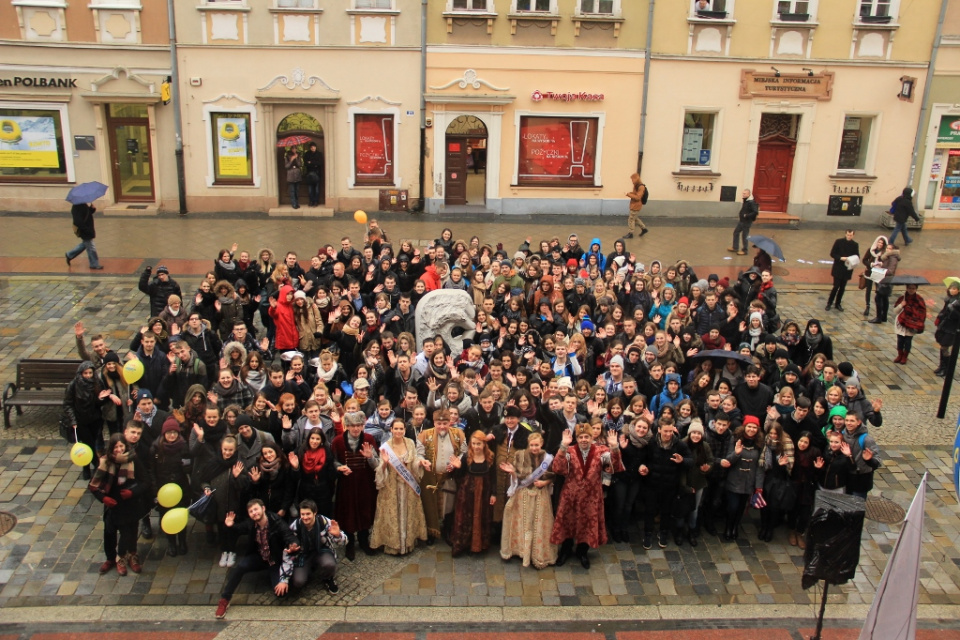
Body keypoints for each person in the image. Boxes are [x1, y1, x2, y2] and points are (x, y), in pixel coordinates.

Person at [550, 424, 623, 569]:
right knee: (569, 523)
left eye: (587, 437)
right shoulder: (569, 451)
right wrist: (563, 446)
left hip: (591, 497)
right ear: (576, 438)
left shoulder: (601, 451)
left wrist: (615, 448)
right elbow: (558, 468)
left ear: (591, 437)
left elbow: (616, 466)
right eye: (581, 437)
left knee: (587, 523)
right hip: (571, 496)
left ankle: (582, 552)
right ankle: (565, 550)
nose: (584, 439)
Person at [215, 499, 301, 619]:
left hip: (274, 561)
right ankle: (225, 599)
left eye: (256, 509)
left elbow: (288, 535)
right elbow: (238, 529)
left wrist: (293, 545)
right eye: (251, 511)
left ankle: (277, 578)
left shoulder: (276, 521)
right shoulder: (251, 524)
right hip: (259, 558)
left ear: (263, 508)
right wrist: (229, 526)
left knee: (281, 593)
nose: (254, 513)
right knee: (240, 567)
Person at [88, 433, 149, 576]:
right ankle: (110, 558)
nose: (119, 449)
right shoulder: (105, 462)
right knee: (109, 533)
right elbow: (94, 486)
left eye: (121, 446)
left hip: (129, 504)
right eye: (116, 447)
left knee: (130, 532)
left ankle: (128, 556)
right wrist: (103, 498)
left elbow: (145, 481)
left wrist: (132, 492)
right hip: (112, 504)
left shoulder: (133, 460)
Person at [369, 419, 429, 555]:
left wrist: (420, 463)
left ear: (404, 430)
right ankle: (393, 545)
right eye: (396, 429)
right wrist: (384, 463)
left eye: (401, 429)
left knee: (408, 513)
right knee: (392, 514)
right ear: (391, 430)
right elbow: (380, 469)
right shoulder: (386, 446)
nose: (398, 431)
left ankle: (407, 543)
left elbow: (414, 461)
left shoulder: (410, 443)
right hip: (391, 486)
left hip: (408, 485)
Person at [499, 431, 557, 568]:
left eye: (537, 445)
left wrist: (545, 482)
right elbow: (518, 477)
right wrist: (512, 472)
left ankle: (537, 555)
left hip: (541, 495)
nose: (534, 448)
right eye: (532, 445)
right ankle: (521, 551)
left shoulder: (548, 458)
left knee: (539, 524)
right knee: (523, 523)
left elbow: (554, 476)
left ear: (541, 444)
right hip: (523, 495)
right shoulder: (520, 455)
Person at [331, 411, 380, 559]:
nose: (356, 429)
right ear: (346, 426)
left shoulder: (369, 439)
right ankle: (349, 543)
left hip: (365, 483)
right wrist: (339, 467)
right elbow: (333, 461)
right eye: (352, 426)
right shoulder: (337, 441)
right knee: (348, 512)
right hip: (346, 484)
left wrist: (370, 457)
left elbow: (377, 464)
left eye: (359, 425)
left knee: (365, 510)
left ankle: (364, 541)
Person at [448, 430, 497, 557]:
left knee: (482, 517)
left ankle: (479, 545)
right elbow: (459, 478)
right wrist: (457, 468)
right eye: (474, 444)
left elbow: (493, 477)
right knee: (465, 519)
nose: (476, 446)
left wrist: (493, 493)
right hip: (467, 494)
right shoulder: (466, 457)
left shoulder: (490, 457)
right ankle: (464, 544)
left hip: (484, 494)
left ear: (484, 444)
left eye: (479, 444)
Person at [283, 499, 347, 594]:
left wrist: (338, 535)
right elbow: (287, 549)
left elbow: (344, 542)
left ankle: (328, 578)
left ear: (315, 513)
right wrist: (291, 549)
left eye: (308, 514)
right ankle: (309, 570)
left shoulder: (324, 521)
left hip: (322, 550)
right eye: (302, 514)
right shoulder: (295, 526)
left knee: (329, 564)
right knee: (298, 582)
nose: (305, 517)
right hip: (303, 554)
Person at [63, 361, 107, 480]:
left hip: (95, 419)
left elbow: (100, 402)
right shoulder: (73, 385)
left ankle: (88, 465)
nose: (88, 375)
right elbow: (68, 404)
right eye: (85, 373)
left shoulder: (97, 383)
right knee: (88, 444)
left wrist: (102, 399)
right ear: (80, 373)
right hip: (80, 420)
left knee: (93, 441)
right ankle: (96, 465)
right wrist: (73, 420)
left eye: (90, 373)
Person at [825, 229, 859, 313]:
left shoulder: (855, 245)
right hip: (838, 267)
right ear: (845, 234)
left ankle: (838, 303)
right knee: (836, 286)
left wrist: (851, 259)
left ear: (853, 235)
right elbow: (832, 253)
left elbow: (857, 256)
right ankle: (829, 302)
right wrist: (840, 258)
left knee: (842, 287)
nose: (849, 236)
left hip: (847, 269)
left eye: (850, 235)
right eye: (848, 235)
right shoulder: (839, 242)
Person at [892, 283, 927, 365]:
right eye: (909, 288)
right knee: (900, 340)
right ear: (907, 288)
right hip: (901, 324)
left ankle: (905, 356)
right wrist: (901, 305)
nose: (911, 290)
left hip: (912, 324)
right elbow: (895, 311)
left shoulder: (919, 299)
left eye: (913, 288)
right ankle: (899, 355)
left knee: (908, 341)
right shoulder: (902, 298)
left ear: (916, 289)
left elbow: (922, 313)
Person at [868, 242, 900, 324]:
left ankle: (879, 317)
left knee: (878, 298)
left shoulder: (893, 257)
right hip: (885, 280)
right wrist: (881, 264)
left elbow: (890, 270)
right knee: (885, 299)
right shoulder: (889, 256)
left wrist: (880, 271)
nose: (887, 250)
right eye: (887, 248)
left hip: (886, 281)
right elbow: (887, 265)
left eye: (889, 248)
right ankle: (884, 317)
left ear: (893, 250)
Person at [934, 280, 960, 377]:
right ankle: (942, 366)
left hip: (952, 328)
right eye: (950, 288)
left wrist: (952, 309)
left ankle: (946, 368)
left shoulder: (958, 302)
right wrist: (939, 317)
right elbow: (944, 311)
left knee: (945, 346)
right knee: (942, 346)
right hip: (945, 325)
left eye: (954, 289)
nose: (951, 290)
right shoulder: (948, 299)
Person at [65, 201, 103, 269]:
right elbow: (78, 221)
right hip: (84, 231)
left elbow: (87, 214)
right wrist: (86, 229)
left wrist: (92, 209)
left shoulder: (82, 204)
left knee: (86, 244)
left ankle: (69, 254)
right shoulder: (76, 207)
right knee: (91, 246)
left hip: (87, 229)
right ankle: (94, 264)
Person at [728, 188, 758, 256]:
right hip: (742, 221)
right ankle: (735, 247)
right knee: (736, 232)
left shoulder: (751, 202)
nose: (743, 194)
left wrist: (747, 215)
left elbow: (755, 212)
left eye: (744, 193)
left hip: (746, 222)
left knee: (745, 236)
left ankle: (745, 250)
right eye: (743, 193)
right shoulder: (746, 201)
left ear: (748, 194)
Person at [625, 173, 648, 239]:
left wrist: (628, 194)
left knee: (631, 219)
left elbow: (638, 197)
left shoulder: (641, 187)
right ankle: (644, 229)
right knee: (635, 218)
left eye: (632, 179)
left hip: (636, 205)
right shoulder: (636, 185)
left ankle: (630, 233)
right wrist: (629, 193)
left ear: (636, 179)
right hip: (634, 205)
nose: (632, 181)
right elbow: (635, 194)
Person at [303, 142, 322, 207]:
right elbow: (305, 163)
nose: (313, 148)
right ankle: (311, 201)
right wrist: (314, 164)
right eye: (312, 147)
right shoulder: (307, 154)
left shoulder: (319, 154)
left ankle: (316, 202)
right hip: (309, 174)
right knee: (310, 190)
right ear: (310, 148)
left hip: (317, 174)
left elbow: (320, 163)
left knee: (316, 190)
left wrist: (311, 162)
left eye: (314, 147)